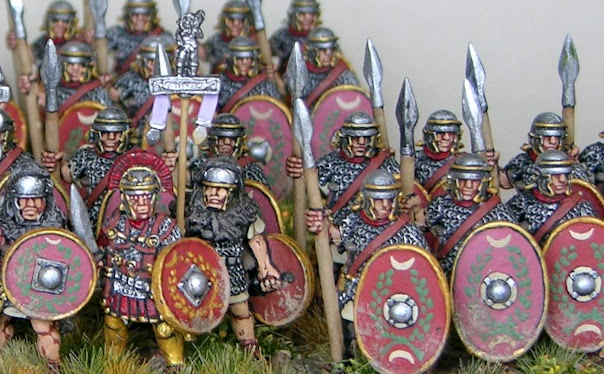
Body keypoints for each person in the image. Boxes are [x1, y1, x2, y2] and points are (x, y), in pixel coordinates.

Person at [305, 170, 427, 351]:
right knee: (348, 322)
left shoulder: (408, 231)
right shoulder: (353, 222)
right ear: (368, 199)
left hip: (395, 290)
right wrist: (321, 223)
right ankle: (349, 357)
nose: (385, 205)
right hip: (358, 285)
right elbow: (334, 235)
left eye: (389, 200)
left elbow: (424, 265)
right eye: (379, 200)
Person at [186, 158, 285, 359]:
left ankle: (249, 347)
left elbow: (256, 240)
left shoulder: (242, 215)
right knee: (193, 309)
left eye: (220, 189)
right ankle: (191, 350)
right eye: (209, 188)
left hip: (231, 268)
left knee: (240, 310)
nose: (213, 194)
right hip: (200, 272)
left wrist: (265, 267)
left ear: (231, 193)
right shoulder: (193, 214)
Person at [0, 172, 70, 373]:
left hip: (40, 290)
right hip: (7, 284)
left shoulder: (54, 230)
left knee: (43, 327)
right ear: (15, 201)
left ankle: (53, 368)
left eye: (36, 199)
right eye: (24, 200)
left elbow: (66, 259)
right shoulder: (4, 228)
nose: (30, 206)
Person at [97, 165, 187, 372]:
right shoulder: (114, 224)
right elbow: (103, 248)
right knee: (113, 323)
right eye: (135, 198)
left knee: (165, 328)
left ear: (154, 198)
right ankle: (112, 364)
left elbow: (176, 263)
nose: (142, 204)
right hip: (120, 285)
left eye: (147, 197)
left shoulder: (166, 228)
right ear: (124, 199)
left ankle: (175, 365)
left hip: (153, 289)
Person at [419, 153, 514, 271]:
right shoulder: (440, 205)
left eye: (474, 181)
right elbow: (422, 235)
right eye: (462, 180)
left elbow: (513, 243)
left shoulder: (498, 211)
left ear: (483, 182)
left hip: (484, 272)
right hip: (448, 271)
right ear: (454, 181)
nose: (468, 185)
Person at [506, 149, 599, 241]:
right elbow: (506, 236)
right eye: (556, 175)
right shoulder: (522, 202)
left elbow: (595, 240)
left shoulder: (581, 206)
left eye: (566, 174)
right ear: (541, 176)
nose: (563, 180)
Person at [501, 112, 591, 191]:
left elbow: (584, 193)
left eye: (557, 137)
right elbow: (504, 182)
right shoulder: (522, 162)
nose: (553, 142)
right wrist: (493, 163)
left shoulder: (572, 166)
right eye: (547, 137)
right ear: (534, 138)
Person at [65, 107, 133, 201]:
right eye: (105, 133)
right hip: (93, 208)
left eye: (117, 133)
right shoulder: (85, 156)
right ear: (97, 134)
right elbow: (67, 177)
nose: (111, 138)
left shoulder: (133, 158)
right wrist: (58, 163)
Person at [293, 27, 360, 105]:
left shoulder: (342, 74)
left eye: (331, 49)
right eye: (322, 50)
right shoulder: (299, 72)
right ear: (312, 51)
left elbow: (356, 97)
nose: (328, 54)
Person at [104, 0, 166, 74]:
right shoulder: (116, 34)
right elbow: (99, 50)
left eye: (145, 15)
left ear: (152, 16)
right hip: (124, 79)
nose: (140, 18)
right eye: (135, 15)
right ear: (128, 16)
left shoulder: (163, 37)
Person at [217, 36, 281, 107]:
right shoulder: (219, 83)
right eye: (239, 59)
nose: (244, 63)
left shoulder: (264, 84)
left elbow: (276, 108)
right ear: (231, 60)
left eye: (248, 59)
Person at [269, 0, 321, 70]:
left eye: (311, 14)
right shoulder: (280, 36)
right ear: (293, 15)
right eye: (302, 14)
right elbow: (271, 57)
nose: (308, 18)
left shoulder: (321, 36)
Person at [205, 0, 258, 74]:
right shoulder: (215, 41)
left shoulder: (254, 42)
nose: (236, 25)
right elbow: (204, 55)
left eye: (240, 21)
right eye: (231, 20)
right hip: (221, 78)